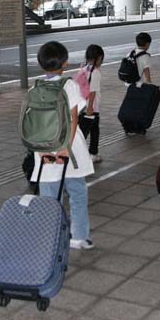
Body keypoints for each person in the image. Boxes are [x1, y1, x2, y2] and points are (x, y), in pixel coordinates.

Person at [31, 41, 95, 249]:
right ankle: (79, 237)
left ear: (41, 64)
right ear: (65, 63)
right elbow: (74, 118)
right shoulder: (69, 85)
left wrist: (40, 150)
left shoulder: (36, 87)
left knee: (49, 198)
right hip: (69, 150)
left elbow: (33, 123)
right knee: (77, 192)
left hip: (44, 150)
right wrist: (65, 146)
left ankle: (51, 239)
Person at [79, 44, 104, 164]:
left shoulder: (84, 69)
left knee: (92, 130)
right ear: (98, 58)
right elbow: (92, 92)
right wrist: (90, 109)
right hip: (92, 108)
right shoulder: (95, 72)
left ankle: (93, 153)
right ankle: (89, 154)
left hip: (83, 106)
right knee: (86, 132)